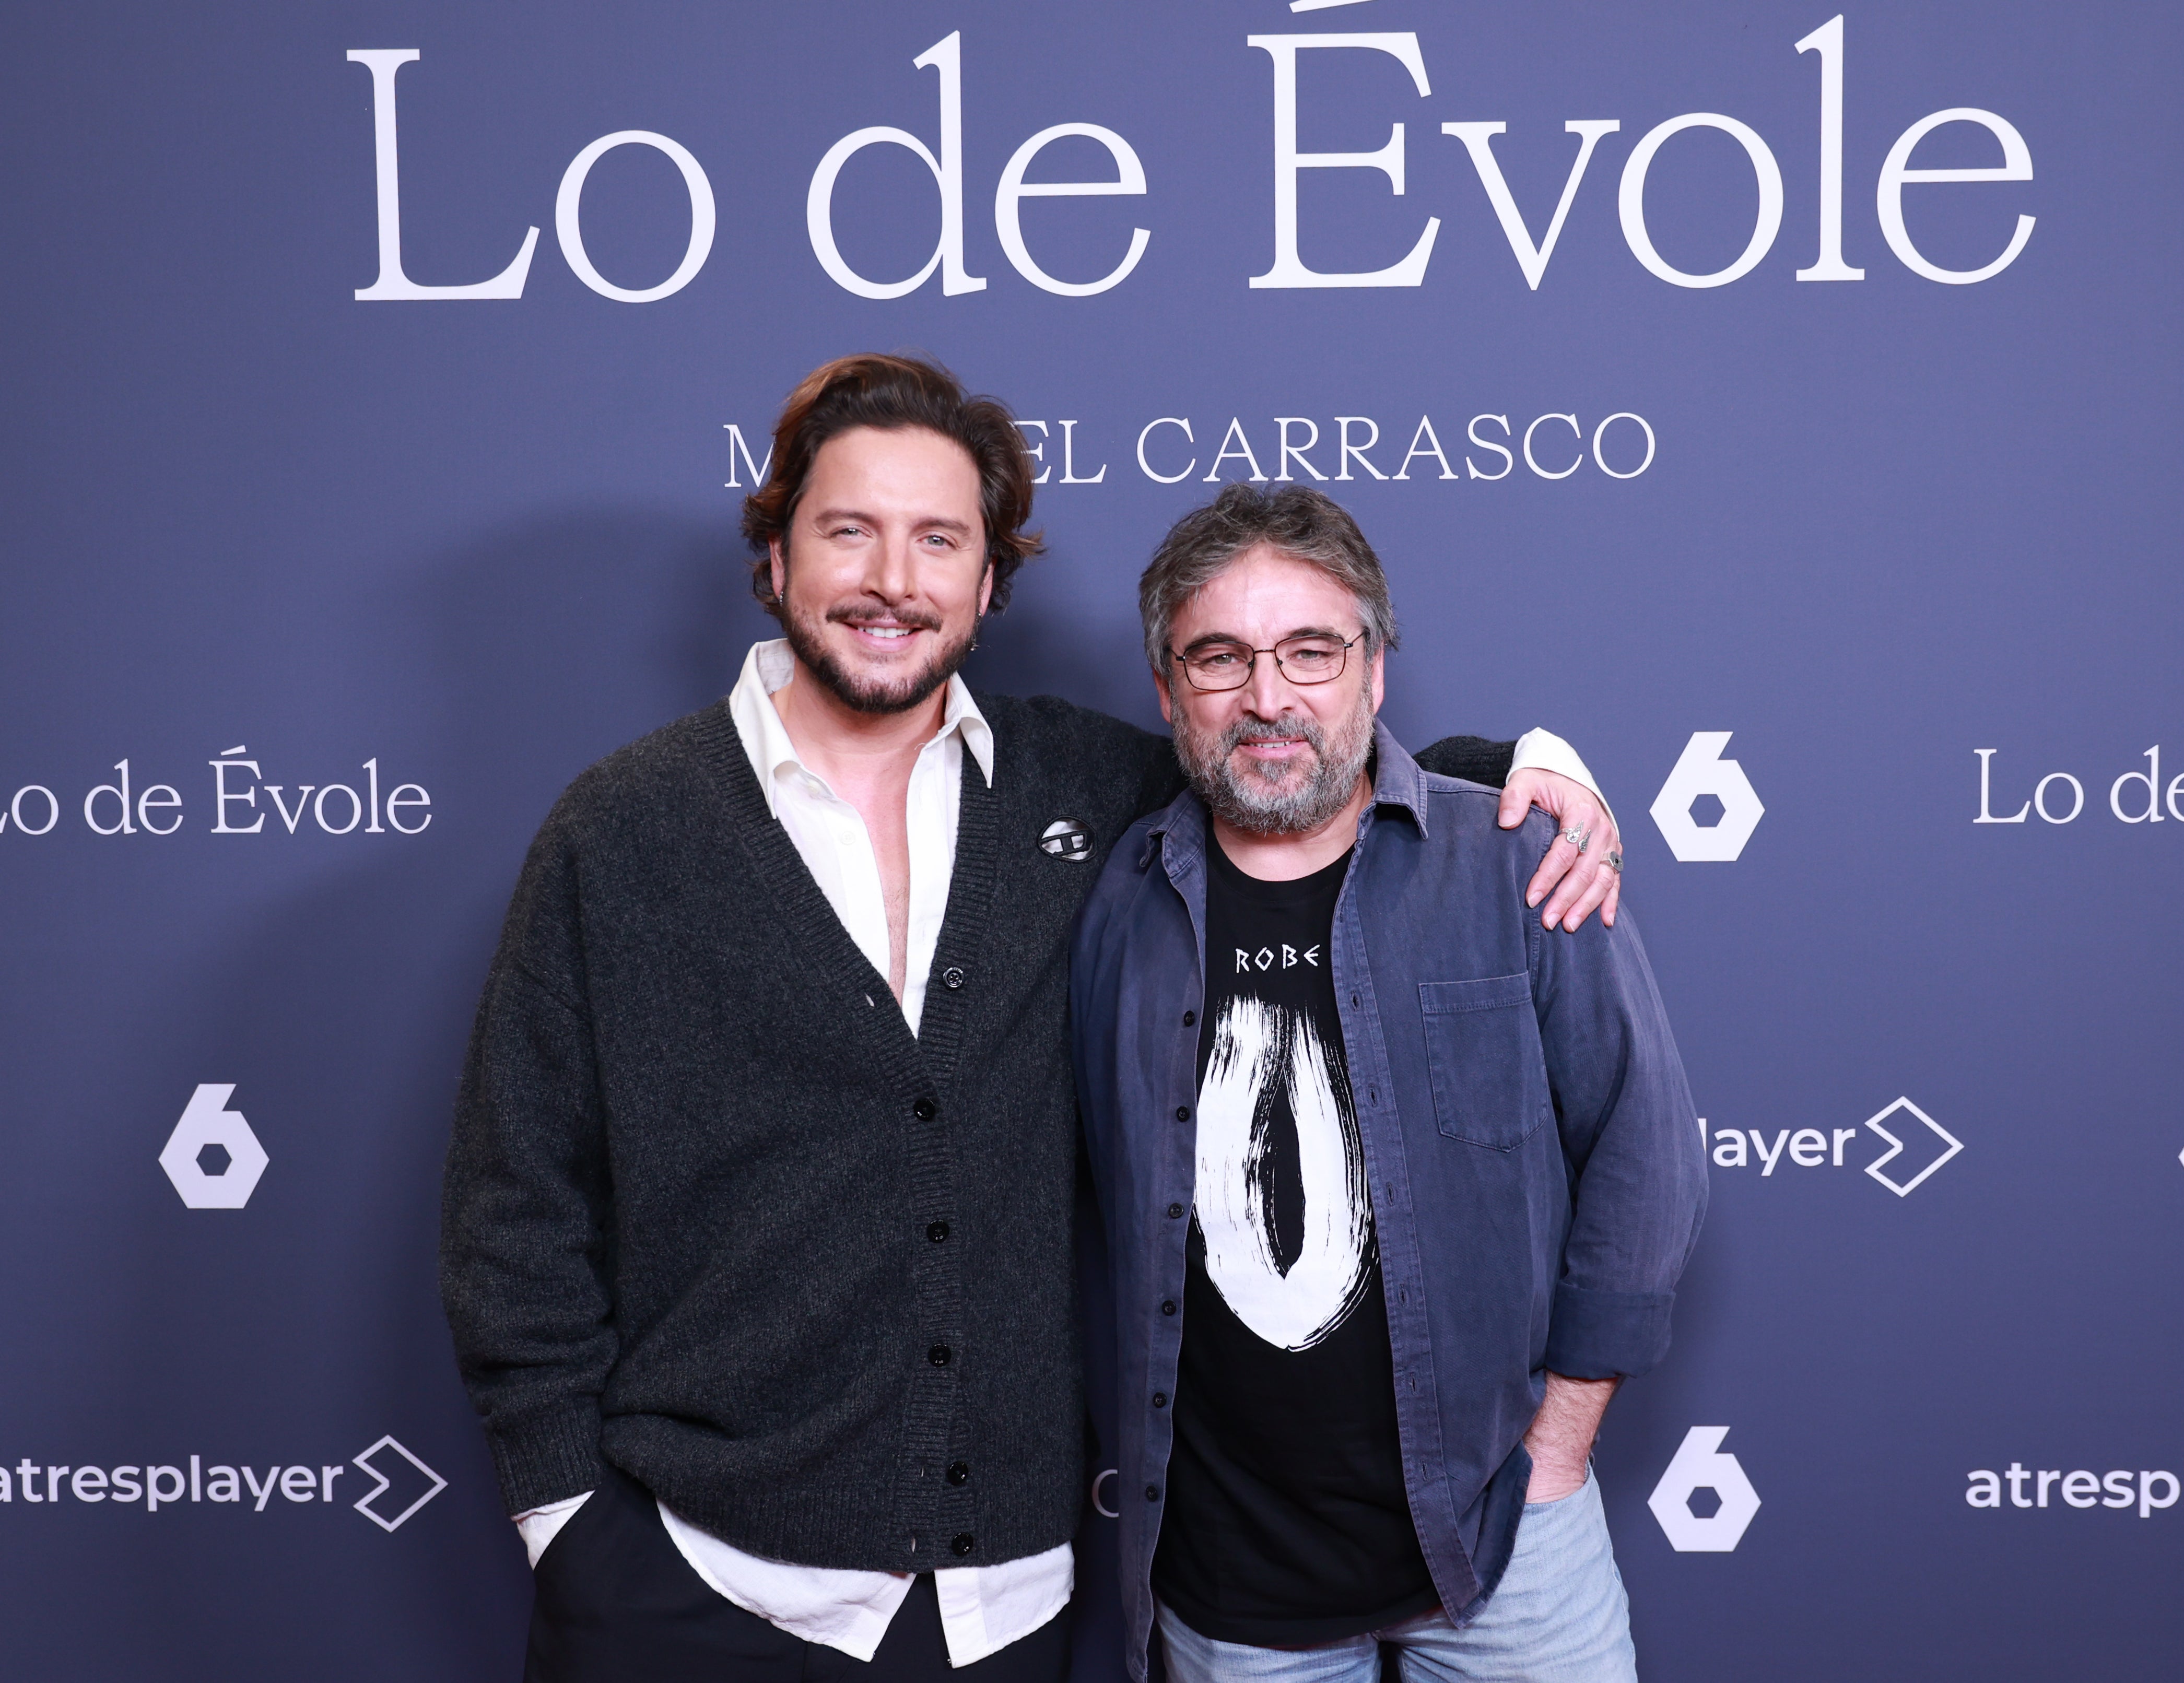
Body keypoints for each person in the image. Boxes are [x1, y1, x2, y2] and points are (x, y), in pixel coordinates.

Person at [440, 355, 1626, 1682]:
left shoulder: (1084, 790)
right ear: (775, 558)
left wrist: (1517, 771)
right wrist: (570, 1529)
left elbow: (1291, 766)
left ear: (988, 581)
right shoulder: (624, 832)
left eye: (938, 539)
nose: (894, 578)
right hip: (699, 1583)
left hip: (1003, 1607)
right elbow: (515, 1207)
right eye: (849, 530)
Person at [1069, 484, 1706, 1683]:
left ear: (1373, 671)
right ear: (1166, 692)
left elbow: (1646, 1157)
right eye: (1220, 658)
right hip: (1233, 1579)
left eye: (1312, 650)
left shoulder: (1519, 860)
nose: (1269, 695)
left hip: (1506, 1540)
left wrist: (1557, 1452)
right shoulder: (1109, 902)